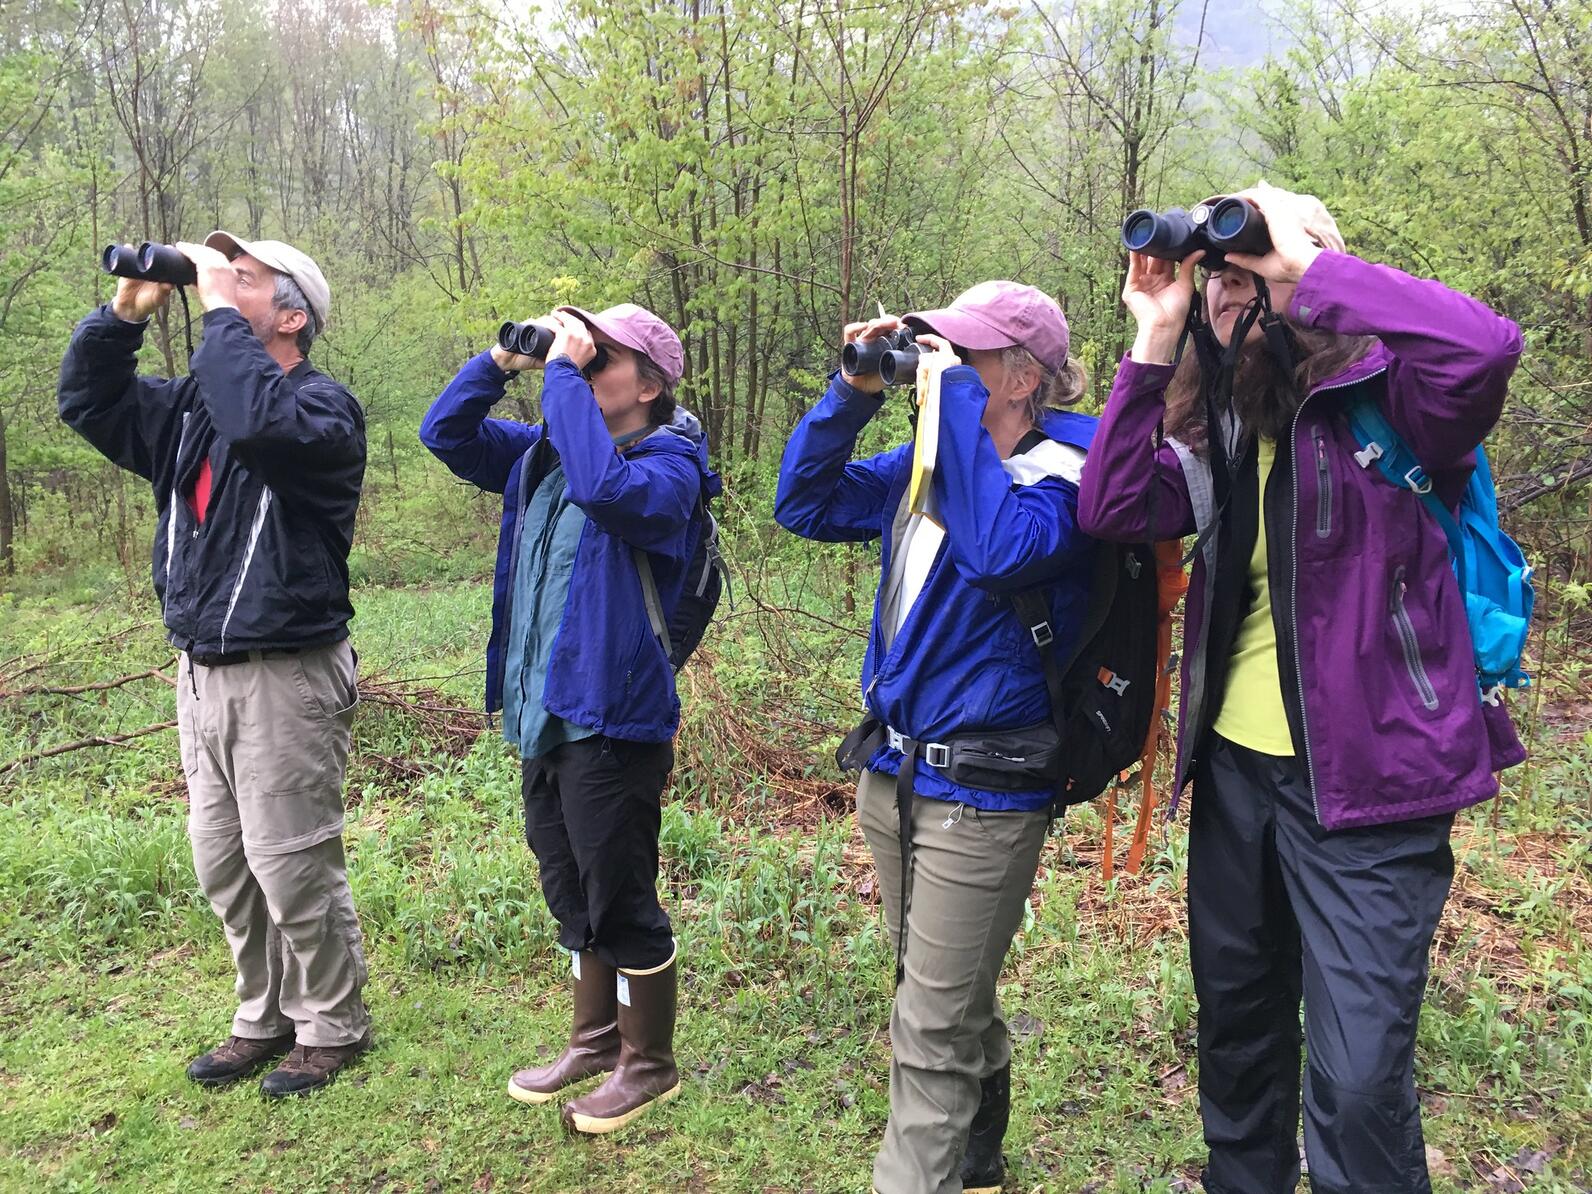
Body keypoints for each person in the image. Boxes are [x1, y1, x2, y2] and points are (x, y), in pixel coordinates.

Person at [1077, 183, 1525, 1194]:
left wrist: (1310, 268)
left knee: (1360, 1080)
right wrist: (1153, 338)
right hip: (1236, 781)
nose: (1232, 301)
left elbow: (1486, 347)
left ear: (1307, 273)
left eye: (1252, 277)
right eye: (1219, 286)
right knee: (1235, 1037)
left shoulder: (1401, 403)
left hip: (1373, 791)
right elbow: (1109, 505)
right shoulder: (1223, 423)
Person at [776, 282, 1097, 1194]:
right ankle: (981, 1153)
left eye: (967, 353)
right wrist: (853, 389)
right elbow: (803, 502)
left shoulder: (1075, 473)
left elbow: (1000, 551)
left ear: (1024, 376)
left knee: (928, 1023)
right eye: (936, 348)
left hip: (986, 794)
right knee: (938, 986)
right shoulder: (924, 465)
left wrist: (948, 398)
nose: (941, 365)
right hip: (895, 771)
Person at [58, 233, 371, 1097]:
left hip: (286, 673)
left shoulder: (321, 410)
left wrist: (217, 308)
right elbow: (89, 403)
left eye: (249, 278)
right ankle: (261, 1017)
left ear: (292, 313)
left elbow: (256, 416)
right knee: (223, 862)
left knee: (291, 858)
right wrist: (123, 317)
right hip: (201, 672)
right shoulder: (193, 411)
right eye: (223, 272)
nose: (224, 284)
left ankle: (331, 1025)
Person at [420, 304, 715, 1135]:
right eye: (578, 358)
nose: (580, 369)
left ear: (649, 385)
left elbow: (605, 488)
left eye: (599, 361)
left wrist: (557, 377)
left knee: (621, 895)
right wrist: (498, 362)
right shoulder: (543, 457)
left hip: (613, 719)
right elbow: (444, 434)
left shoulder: (669, 471)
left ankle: (648, 1061)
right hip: (541, 713)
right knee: (570, 886)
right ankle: (594, 1041)